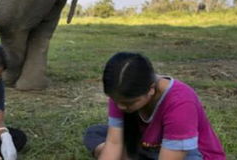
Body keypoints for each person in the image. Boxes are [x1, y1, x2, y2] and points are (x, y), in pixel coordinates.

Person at [83, 52, 225, 160]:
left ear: (151, 89)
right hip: (151, 146)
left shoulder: (180, 102)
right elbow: (114, 143)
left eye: (128, 103)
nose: (120, 107)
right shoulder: (121, 92)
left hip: (186, 153)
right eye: (115, 100)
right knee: (96, 132)